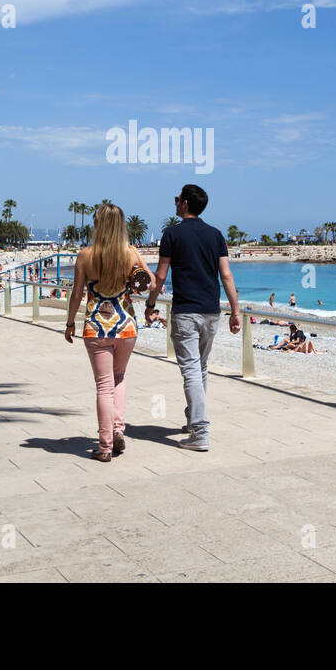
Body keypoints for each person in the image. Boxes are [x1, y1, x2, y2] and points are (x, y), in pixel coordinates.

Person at [145, 184, 242, 452]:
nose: (175, 203)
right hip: (211, 311)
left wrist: (150, 304)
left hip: (186, 311)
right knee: (200, 368)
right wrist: (235, 311)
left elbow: (161, 275)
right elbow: (226, 275)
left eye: (177, 199)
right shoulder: (215, 235)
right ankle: (193, 420)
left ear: (185, 203)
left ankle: (200, 431)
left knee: (191, 370)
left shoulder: (172, 234)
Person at [64, 203, 156, 462]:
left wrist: (70, 323)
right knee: (119, 378)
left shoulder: (85, 255)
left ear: (97, 225)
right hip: (126, 327)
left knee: (103, 386)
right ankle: (117, 430)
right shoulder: (131, 253)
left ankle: (104, 446)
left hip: (96, 328)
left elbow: (76, 294)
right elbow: (153, 283)